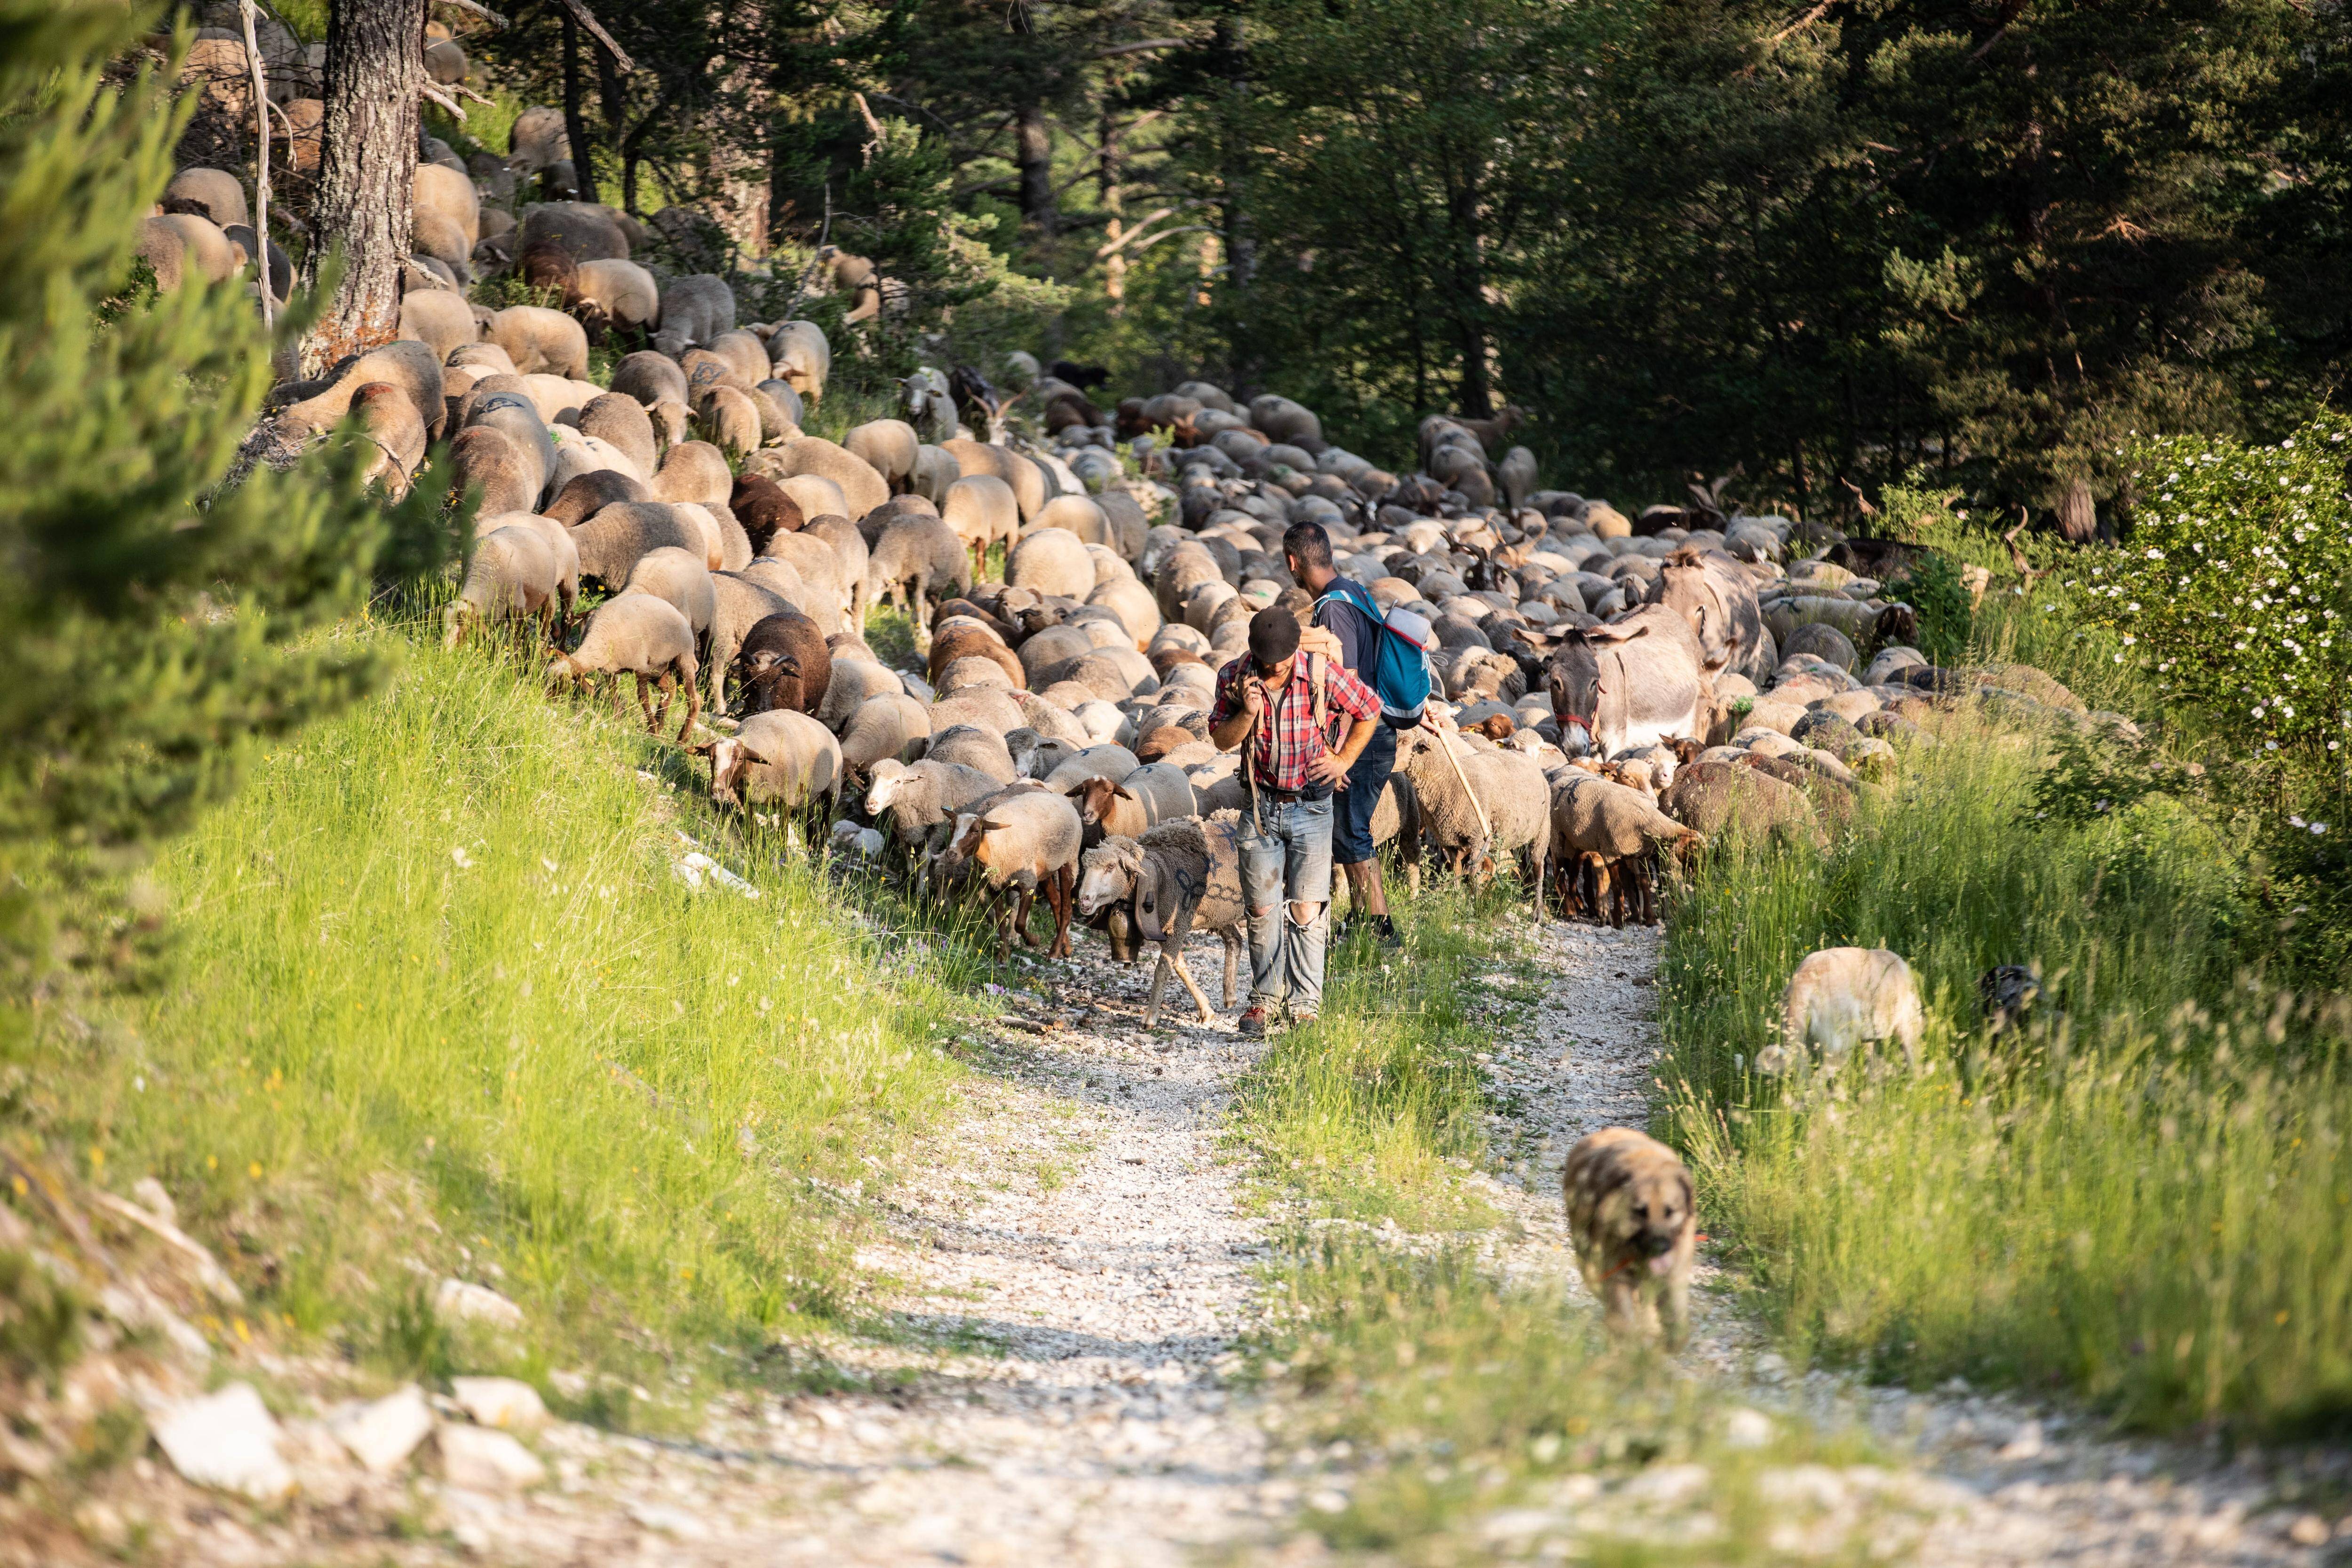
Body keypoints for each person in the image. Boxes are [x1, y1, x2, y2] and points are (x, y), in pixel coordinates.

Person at [1208, 605, 1381, 1035]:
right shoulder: (1235, 677)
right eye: (1269, 665)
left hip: (1312, 806)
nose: (1276, 671)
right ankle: (1264, 1001)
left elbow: (1370, 709)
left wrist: (1342, 761)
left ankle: (1306, 1006)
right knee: (1262, 908)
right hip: (1260, 806)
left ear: (1294, 652)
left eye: (1283, 663)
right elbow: (1219, 738)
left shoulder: (1320, 673)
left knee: (1307, 909)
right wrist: (1246, 714)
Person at [1283, 520, 1407, 947]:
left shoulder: (1332, 608)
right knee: (1347, 831)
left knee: (1351, 832)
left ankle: (1381, 930)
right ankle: (1365, 920)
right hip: (1377, 729)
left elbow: (1349, 683)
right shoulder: (1353, 590)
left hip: (1363, 735)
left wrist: (1339, 756)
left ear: (1292, 562)